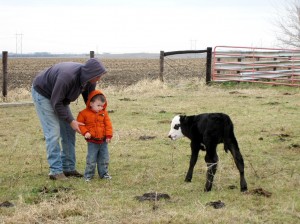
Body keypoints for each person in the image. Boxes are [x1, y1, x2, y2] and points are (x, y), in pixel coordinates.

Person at [31, 58, 107, 180]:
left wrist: (94, 119)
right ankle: (55, 171)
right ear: (90, 73)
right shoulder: (67, 77)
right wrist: (71, 120)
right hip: (43, 93)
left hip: (61, 98)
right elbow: (56, 103)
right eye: (98, 76)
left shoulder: (90, 80)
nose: (99, 79)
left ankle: (68, 168)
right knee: (53, 131)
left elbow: (90, 102)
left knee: (69, 130)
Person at [77, 89, 113, 181]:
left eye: (102, 106)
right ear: (91, 103)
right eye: (98, 105)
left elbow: (108, 125)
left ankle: (104, 174)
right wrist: (86, 132)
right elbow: (80, 125)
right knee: (91, 159)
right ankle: (88, 175)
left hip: (103, 141)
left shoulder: (104, 113)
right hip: (92, 141)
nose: (101, 108)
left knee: (104, 159)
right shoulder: (83, 114)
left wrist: (108, 136)